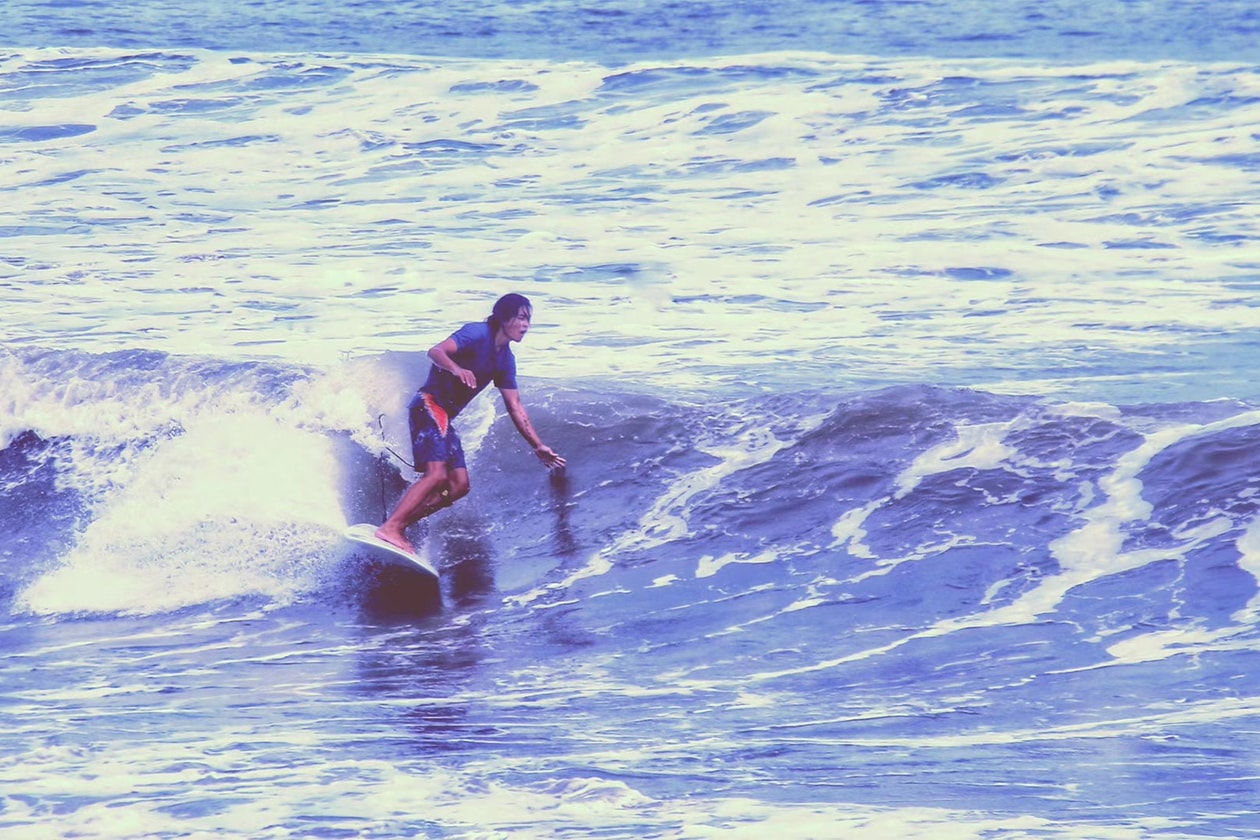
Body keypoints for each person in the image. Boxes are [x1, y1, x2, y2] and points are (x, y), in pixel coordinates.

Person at [375, 293, 565, 554]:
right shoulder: (477, 333)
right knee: (437, 475)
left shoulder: (505, 360)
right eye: (521, 318)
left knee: (459, 485)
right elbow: (436, 351)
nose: (526, 325)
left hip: (445, 418)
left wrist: (538, 446)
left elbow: (515, 405)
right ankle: (392, 527)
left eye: (528, 320)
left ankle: (399, 524)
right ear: (503, 317)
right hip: (429, 405)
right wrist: (456, 368)